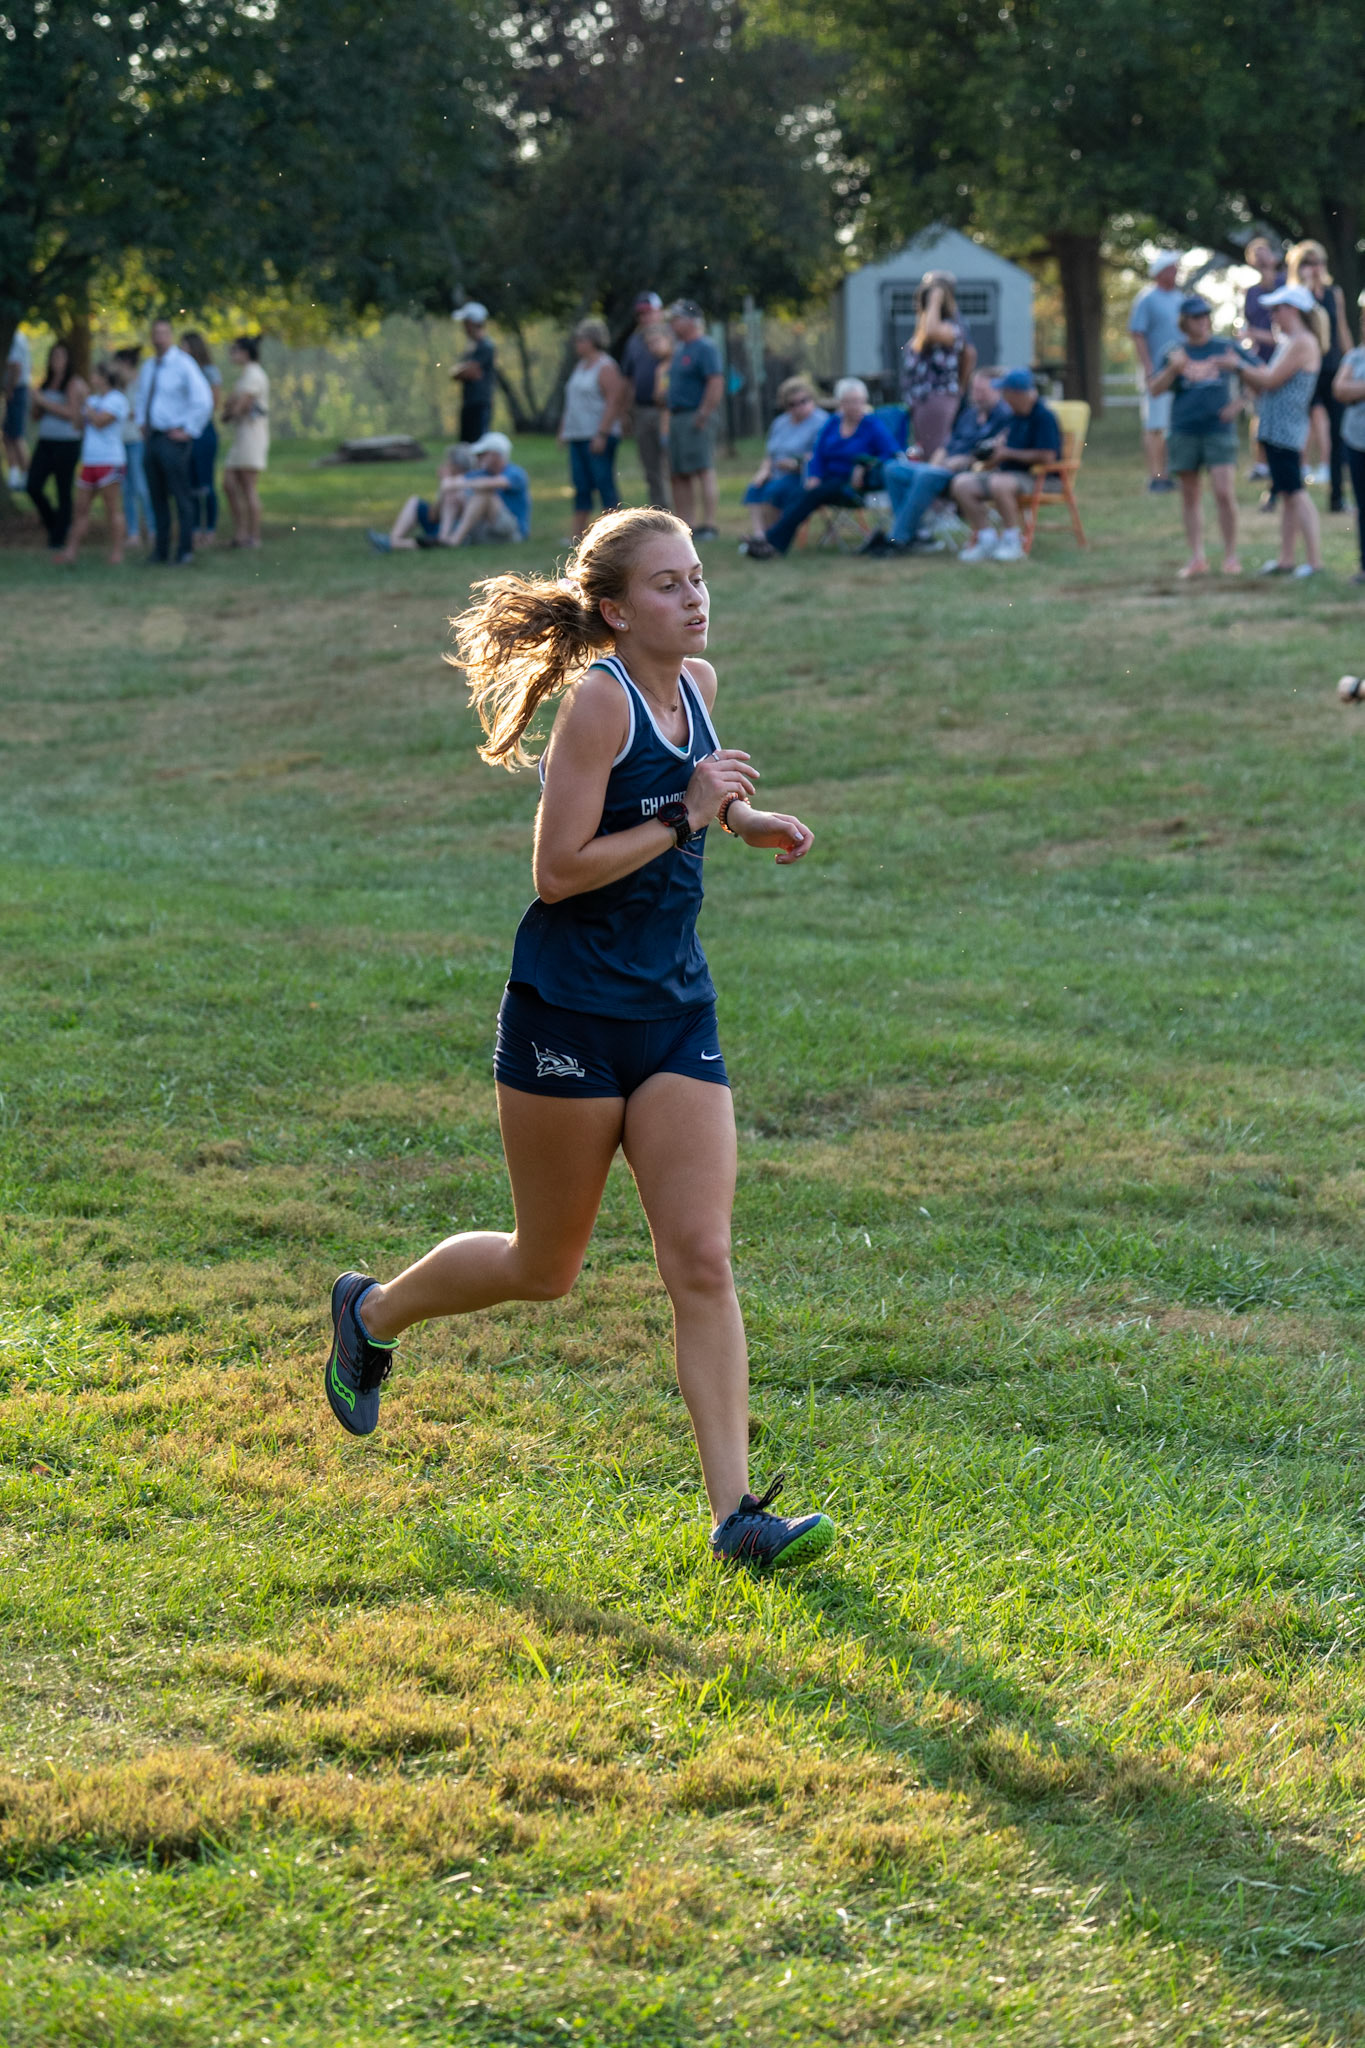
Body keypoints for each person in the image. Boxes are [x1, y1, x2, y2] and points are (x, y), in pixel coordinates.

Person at [321, 506, 835, 1575]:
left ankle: (737, 1515)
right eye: (667, 583)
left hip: (674, 1008)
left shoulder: (696, 685)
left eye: (697, 576)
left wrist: (744, 818)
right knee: (544, 1265)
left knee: (701, 1258)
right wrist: (687, 815)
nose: (693, 597)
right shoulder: (599, 703)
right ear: (615, 608)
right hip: (569, 1012)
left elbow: (694, 795)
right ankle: (371, 1314)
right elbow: (558, 871)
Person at [1225, 284, 1325, 578]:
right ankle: (1286, 560)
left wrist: (1237, 365)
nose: (1272, 315)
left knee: (1295, 493)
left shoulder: (1302, 342)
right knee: (1287, 493)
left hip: (1286, 430)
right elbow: (1266, 380)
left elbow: (1270, 381)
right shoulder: (1290, 341)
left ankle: (1315, 563)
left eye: (1276, 309)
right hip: (1277, 429)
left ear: (1293, 310)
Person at [740, 378, 900, 559]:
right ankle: (770, 542)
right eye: (849, 401)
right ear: (841, 403)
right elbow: (818, 454)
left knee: (810, 495)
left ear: (864, 401)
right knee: (803, 493)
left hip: (853, 483)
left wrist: (864, 465)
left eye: (858, 401)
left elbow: (892, 453)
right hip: (827, 478)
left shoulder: (872, 425)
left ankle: (769, 542)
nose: (854, 406)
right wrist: (814, 475)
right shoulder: (833, 423)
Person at [861, 369, 1010, 557]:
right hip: (941, 470)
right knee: (892, 468)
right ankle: (917, 534)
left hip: (967, 475)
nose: (976, 395)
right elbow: (946, 446)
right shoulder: (969, 414)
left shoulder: (1004, 416)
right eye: (974, 390)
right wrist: (935, 465)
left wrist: (964, 460)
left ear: (997, 390)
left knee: (926, 474)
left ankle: (897, 538)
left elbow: (994, 451)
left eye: (982, 391)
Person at [1147, 295, 1245, 578]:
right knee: (1190, 495)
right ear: (1184, 322)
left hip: (1218, 430)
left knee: (1224, 492)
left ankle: (1231, 557)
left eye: (1205, 315)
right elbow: (1154, 389)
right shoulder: (1173, 352)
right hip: (1184, 429)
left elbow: (1258, 374)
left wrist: (1238, 405)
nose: (1202, 321)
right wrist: (1173, 368)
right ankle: (1197, 557)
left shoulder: (1225, 348)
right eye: (1195, 317)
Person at [950, 368, 1062, 564]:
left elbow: (1048, 457)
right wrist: (992, 452)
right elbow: (1004, 448)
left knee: (999, 484)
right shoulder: (1013, 416)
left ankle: (1013, 540)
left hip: (1042, 478)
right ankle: (986, 539)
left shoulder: (1044, 417)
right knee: (962, 484)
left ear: (1017, 394)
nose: (1003, 397)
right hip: (1008, 474)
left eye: (1005, 392)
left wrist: (1008, 453)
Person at [133, 317, 213, 566]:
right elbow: (141, 397)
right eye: (155, 333)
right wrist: (141, 422)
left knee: (181, 495)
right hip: (152, 438)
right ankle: (161, 550)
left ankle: (185, 550)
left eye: (164, 333)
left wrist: (189, 429)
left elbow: (203, 399)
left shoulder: (183, 364)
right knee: (156, 496)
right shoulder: (149, 366)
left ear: (170, 335)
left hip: (173, 438)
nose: (159, 338)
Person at [1287, 241, 1349, 509]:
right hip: (1305, 370)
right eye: (1308, 263)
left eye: (1319, 262)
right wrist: (1306, 290)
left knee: (1337, 434)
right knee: (1295, 430)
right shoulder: (1294, 296)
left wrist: (1352, 362)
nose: (1315, 268)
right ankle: (1286, 489)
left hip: (1332, 369)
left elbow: (1342, 329)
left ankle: (1337, 495)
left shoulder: (1335, 293)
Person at [559, 318, 625, 540]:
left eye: (581, 339)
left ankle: (616, 533)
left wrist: (602, 433)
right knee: (581, 485)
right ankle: (576, 535)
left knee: (603, 483)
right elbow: (572, 401)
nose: (577, 344)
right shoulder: (580, 366)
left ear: (593, 340)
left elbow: (614, 400)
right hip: (577, 435)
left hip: (597, 435)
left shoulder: (606, 366)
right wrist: (564, 429)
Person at [741, 377, 828, 544]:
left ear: (812, 398)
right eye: (792, 404)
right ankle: (760, 536)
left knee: (774, 491)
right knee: (755, 488)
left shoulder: (822, 422)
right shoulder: (780, 423)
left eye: (803, 401)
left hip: (803, 476)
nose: (798, 407)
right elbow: (770, 454)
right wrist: (763, 471)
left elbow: (821, 456)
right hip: (776, 472)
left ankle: (771, 539)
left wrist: (796, 464)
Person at [58, 361, 128, 567]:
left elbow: (99, 422)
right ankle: (70, 552)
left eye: (96, 375)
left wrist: (84, 401)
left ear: (105, 377)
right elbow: (77, 425)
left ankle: (117, 553)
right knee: (80, 508)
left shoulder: (117, 399)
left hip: (110, 460)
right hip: (89, 460)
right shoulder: (93, 400)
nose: (92, 378)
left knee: (112, 508)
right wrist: (77, 401)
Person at [666, 301, 724, 541]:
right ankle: (685, 525)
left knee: (703, 468)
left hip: (695, 415)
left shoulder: (705, 347)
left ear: (691, 321)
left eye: (676, 319)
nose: (672, 324)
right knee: (679, 473)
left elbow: (715, 381)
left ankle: (709, 525)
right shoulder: (680, 348)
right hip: (677, 416)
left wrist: (704, 412)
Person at [900, 272, 973, 460]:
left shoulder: (951, 325)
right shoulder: (925, 325)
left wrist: (935, 298)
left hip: (937, 396)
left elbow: (969, 353)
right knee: (924, 451)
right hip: (922, 398)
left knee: (934, 452)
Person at [1129, 252, 1185, 490]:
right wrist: (1148, 367)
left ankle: (1170, 473)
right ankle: (1156, 476)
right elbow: (1137, 333)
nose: (1176, 272)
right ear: (1160, 272)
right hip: (1157, 374)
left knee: (1173, 426)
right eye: (1172, 268)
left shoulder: (1180, 298)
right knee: (1155, 426)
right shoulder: (1147, 299)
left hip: (1179, 373)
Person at [26, 339, 85, 550]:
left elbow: (72, 414)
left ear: (68, 359)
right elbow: (36, 416)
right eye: (53, 356)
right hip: (46, 442)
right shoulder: (45, 383)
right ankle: (53, 524)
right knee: (32, 485)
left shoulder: (73, 383)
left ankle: (58, 537)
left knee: (63, 490)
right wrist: (36, 402)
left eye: (60, 356)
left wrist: (44, 402)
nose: (56, 360)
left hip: (67, 443)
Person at [367, 444, 474, 552]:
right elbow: (433, 516)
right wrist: (442, 490)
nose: (442, 465)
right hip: (439, 525)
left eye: (447, 463)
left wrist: (446, 488)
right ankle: (392, 539)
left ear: (455, 467)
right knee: (414, 501)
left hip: (454, 530)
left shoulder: (464, 484)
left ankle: (391, 543)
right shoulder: (448, 483)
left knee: (434, 538)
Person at [620, 292, 671, 508]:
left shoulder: (673, 336)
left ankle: (679, 516)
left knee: (672, 465)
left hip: (668, 411)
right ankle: (659, 511)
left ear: (660, 312)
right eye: (641, 314)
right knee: (650, 468)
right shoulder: (634, 342)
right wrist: (625, 412)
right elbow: (629, 378)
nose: (645, 318)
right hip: (642, 410)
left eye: (649, 312)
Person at [436, 431, 531, 547]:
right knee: (453, 495)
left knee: (484, 495)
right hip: (487, 529)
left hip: (513, 532)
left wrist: (459, 484)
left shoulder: (515, 473)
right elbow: (450, 484)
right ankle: (442, 538)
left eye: (482, 454)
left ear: (495, 455)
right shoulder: (481, 473)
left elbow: (494, 483)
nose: (478, 457)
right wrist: (447, 477)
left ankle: (455, 540)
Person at [1239, 236, 1283, 483]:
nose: (1261, 257)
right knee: (1258, 413)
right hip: (1260, 361)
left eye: (1263, 251)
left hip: (1284, 359)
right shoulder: (1251, 293)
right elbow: (1247, 328)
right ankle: (1260, 464)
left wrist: (1255, 334)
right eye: (1255, 254)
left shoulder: (1286, 284)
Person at [221, 335, 270, 549]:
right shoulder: (245, 376)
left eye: (235, 350)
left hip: (252, 436)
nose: (232, 354)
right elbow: (231, 405)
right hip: (241, 436)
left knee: (248, 486)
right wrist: (230, 408)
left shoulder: (254, 375)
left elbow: (239, 406)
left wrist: (230, 410)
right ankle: (241, 532)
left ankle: (254, 536)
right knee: (229, 483)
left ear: (245, 352)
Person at [180, 330, 221, 545]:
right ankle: (194, 528)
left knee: (206, 484)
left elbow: (214, 403)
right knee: (190, 483)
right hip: (185, 432)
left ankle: (210, 528)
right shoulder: (180, 373)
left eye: (184, 346)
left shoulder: (209, 372)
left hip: (203, 432)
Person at [1332, 321, 1365, 586]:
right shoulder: (1355, 356)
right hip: (1357, 441)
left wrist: (1358, 388)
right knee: (1363, 506)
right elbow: (1340, 389)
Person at [112, 348, 153, 550]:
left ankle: (153, 529)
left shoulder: (141, 384)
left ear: (125, 363)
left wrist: (121, 411)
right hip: (120, 442)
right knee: (126, 489)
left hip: (136, 440)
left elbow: (140, 412)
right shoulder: (117, 387)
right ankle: (133, 533)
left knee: (141, 487)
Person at [450, 302, 496, 446]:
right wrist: (460, 371)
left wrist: (460, 370)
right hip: (470, 402)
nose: (463, 327)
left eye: (465, 323)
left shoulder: (485, 346)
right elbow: (462, 372)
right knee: (466, 445)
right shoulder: (472, 347)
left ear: (472, 323)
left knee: (478, 445)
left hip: (480, 403)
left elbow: (469, 372)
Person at [4, 325, 30, 490]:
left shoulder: (13, 336)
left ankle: (26, 477)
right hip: (16, 389)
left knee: (16, 435)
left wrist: (10, 389)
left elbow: (16, 366)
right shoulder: (17, 336)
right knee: (8, 435)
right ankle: (15, 476)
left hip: (16, 390)